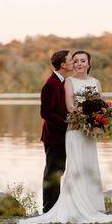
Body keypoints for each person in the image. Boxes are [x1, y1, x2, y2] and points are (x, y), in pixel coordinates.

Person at [18, 50, 112, 224]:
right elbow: (55, 111)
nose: (78, 63)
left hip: (83, 131)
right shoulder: (60, 82)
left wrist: (99, 121)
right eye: (74, 61)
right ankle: (52, 208)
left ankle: (90, 204)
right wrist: (77, 122)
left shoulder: (93, 82)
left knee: (83, 166)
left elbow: (101, 106)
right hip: (65, 132)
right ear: (66, 64)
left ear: (89, 63)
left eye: (82, 61)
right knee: (57, 171)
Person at [40, 49, 73, 213]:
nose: (73, 62)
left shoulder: (63, 82)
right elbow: (45, 113)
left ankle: (55, 206)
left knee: (58, 172)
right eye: (70, 60)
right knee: (51, 173)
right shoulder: (50, 84)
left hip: (62, 136)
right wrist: (66, 124)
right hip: (53, 137)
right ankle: (48, 209)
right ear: (63, 64)